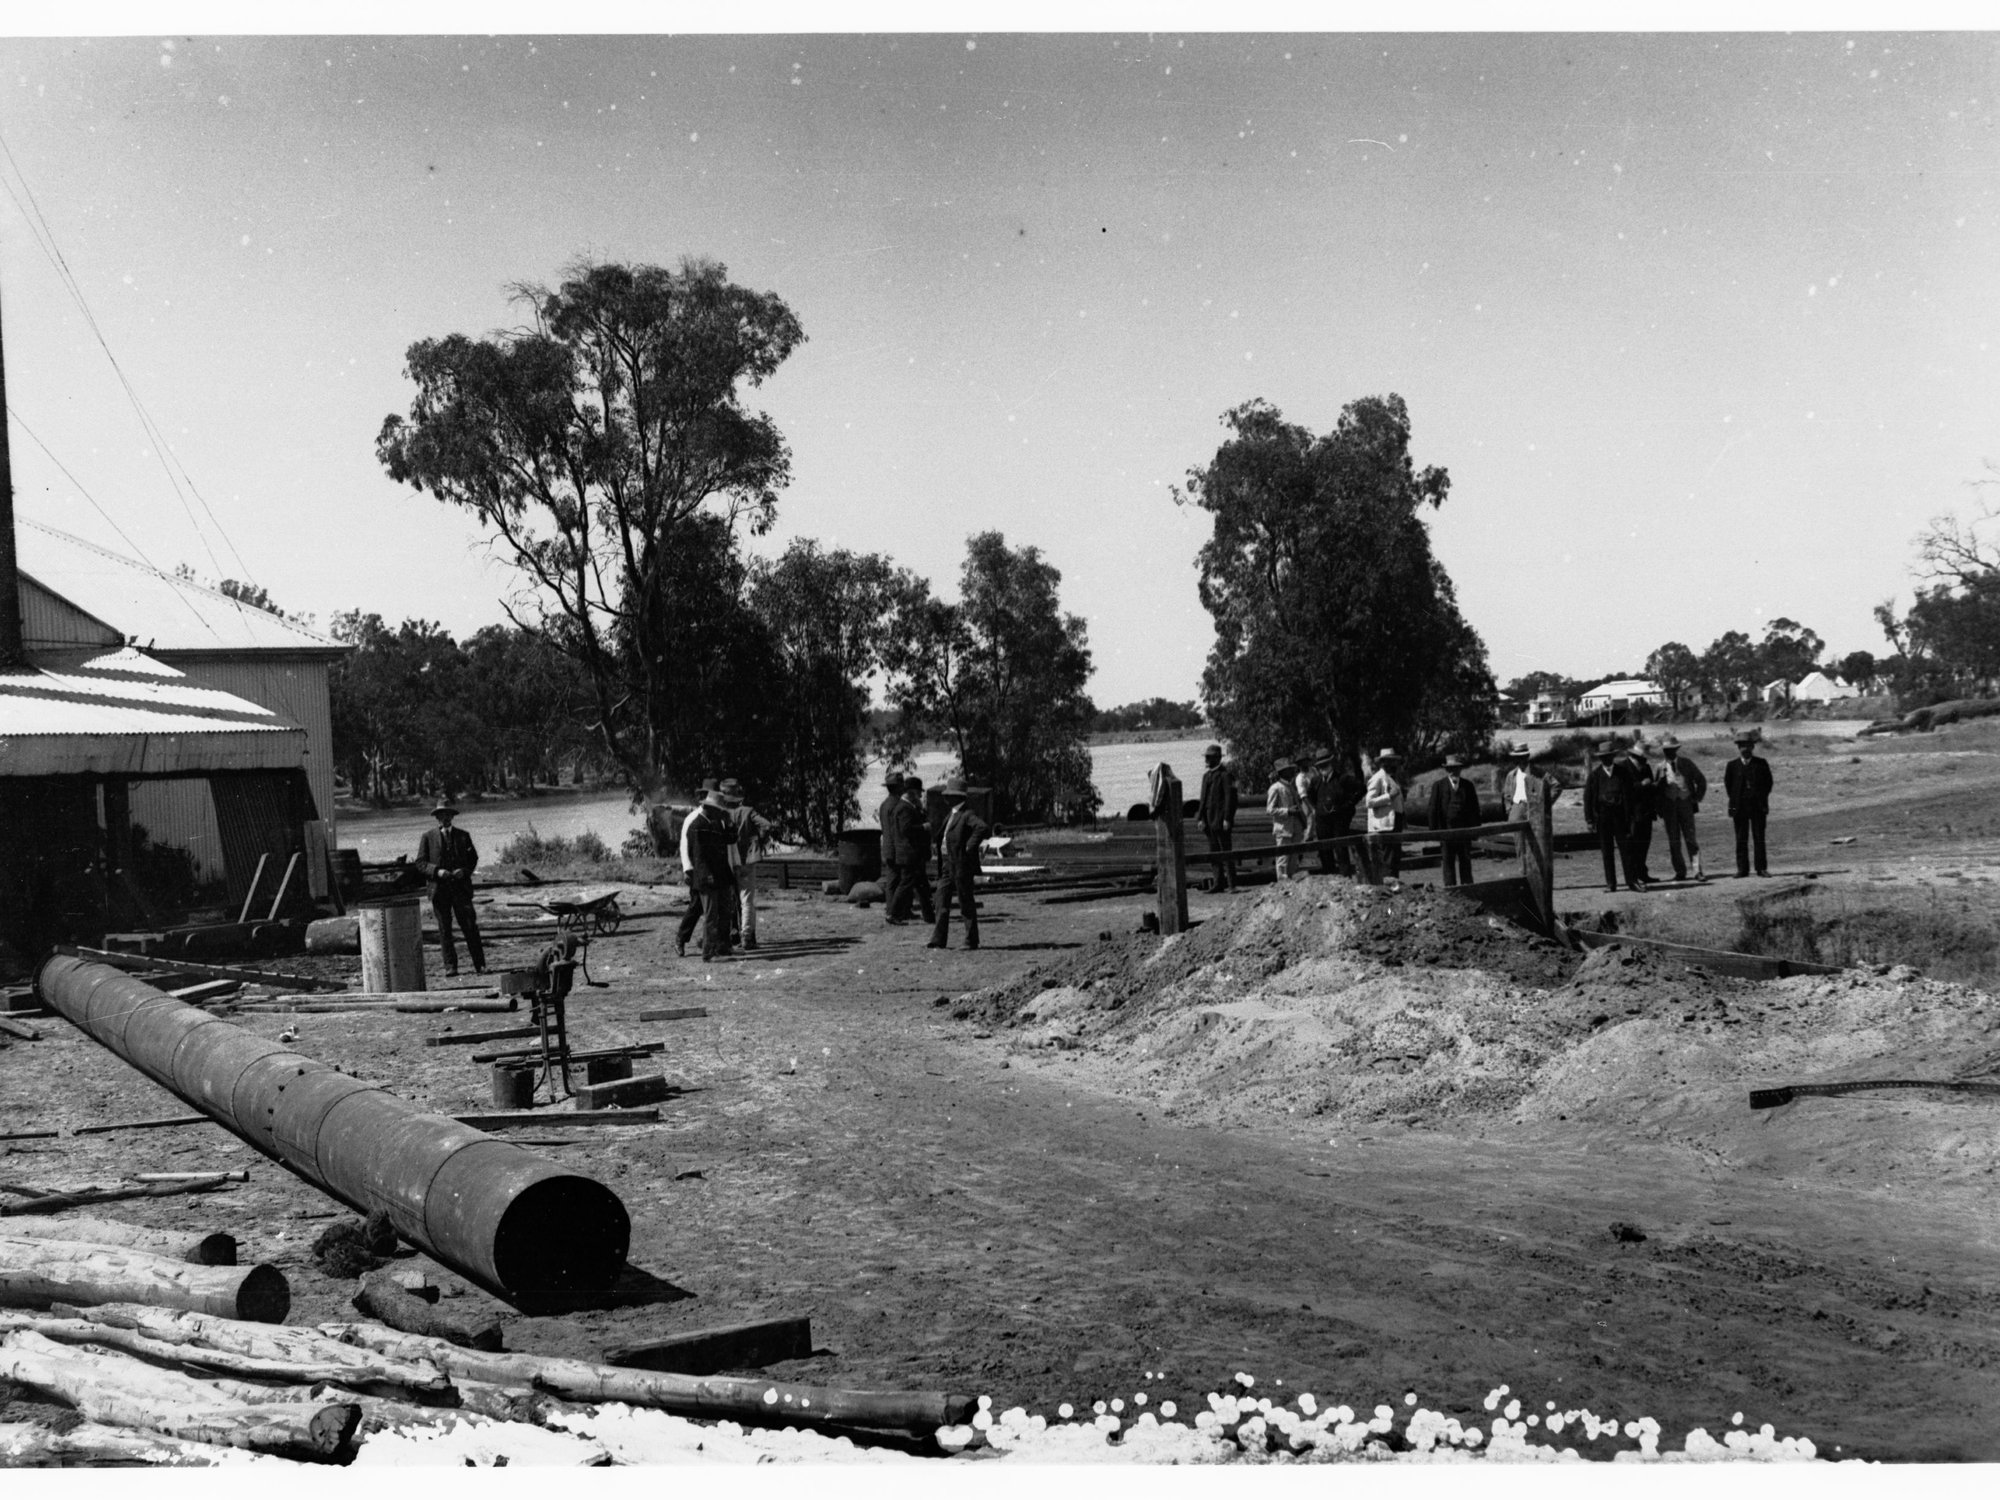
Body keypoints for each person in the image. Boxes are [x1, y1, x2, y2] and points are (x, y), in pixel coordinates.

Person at [416, 801, 485, 977]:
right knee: (444, 929)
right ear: (436, 818)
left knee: (470, 927)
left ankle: (480, 965)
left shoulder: (463, 836)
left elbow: (473, 858)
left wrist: (465, 871)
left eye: (447, 815)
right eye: (441, 815)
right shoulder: (428, 837)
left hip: (461, 889)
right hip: (439, 890)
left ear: (452, 817)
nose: (444, 818)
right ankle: (450, 967)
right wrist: (437, 872)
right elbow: (420, 863)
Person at [927, 777, 989, 950]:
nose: (946, 798)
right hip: (947, 865)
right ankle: (938, 939)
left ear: (957, 797)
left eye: (950, 795)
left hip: (961, 865)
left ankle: (971, 940)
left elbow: (982, 828)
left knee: (965, 903)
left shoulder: (967, 814)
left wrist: (970, 845)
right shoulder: (952, 815)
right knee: (941, 901)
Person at [685, 784, 740, 961]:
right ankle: (708, 952)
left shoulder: (715, 823)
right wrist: (707, 876)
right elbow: (698, 857)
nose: (721, 812)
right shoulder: (698, 825)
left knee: (725, 911)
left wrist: (730, 823)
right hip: (707, 877)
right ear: (710, 808)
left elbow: (731, 839)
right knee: (710, 915)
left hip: (721, 875)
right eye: (719, 810)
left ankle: (724, 945)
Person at [720, 778, 774, 951]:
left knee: (730, 899)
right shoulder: (748, 811)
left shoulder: (720, 814)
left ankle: (732, 934)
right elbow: (767, 825)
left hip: (727, 860)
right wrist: (757, 841)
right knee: (747, 900)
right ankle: (747, 937)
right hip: (746, 859)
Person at [1582, 741, 1643, 892]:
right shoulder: (1594, 776)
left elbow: (1631, 796)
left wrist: (1632, 817)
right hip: (1603, 818)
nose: (1606, 760)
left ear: (1613, 757)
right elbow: (1588, 799)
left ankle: (1632, 882)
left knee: (1626, 850)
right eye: (1603, 757)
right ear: (1600, 758)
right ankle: (1611, 884)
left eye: (1609, 756)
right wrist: (1589, 820)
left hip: (1621, 818)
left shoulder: (1623, 773)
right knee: (1607, 851)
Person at [675, 779, 722, 958]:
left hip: (711, 869)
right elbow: (685, 847)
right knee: (696, 906)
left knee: (711, 908)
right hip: (697, 870)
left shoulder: (714, 818)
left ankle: (709, 940)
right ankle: (681, 938)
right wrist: (688, 869)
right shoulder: (692, 819)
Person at [1654, 732, 1708, 882]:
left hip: (1686, 805)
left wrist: (1696, 797)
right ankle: (1680, 871)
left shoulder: (1687, 763)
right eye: (1665, 750)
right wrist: (1660, 809)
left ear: (1676, 750)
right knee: (1673, 841)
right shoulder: (1659, 767)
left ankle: (1698, 871)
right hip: (1669, 808)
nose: (1667, 753)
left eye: (1670, 750)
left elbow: (1701, 781)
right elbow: (1655, 791)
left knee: (1691, 839)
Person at [1724, 729, 1774, 878]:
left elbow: (1768, 783)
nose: (1745, 748)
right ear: (1738, 748)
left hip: (1758, 806)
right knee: (1741, 839)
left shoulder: (1761, 763)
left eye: (1748, 745)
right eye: (1742, 746)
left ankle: (1761, 869)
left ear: (1753, 747)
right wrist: (1735, 803)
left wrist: (1761, 798)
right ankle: (1742, 869)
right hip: (1738, 807)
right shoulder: (1732, 765)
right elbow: (1729, 787)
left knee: (1759, 838)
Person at [1427, 753, 1483, 886]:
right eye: (1450, 768)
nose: (1453, 771)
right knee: (1448, 863)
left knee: (1465, 862)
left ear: (1460, 769)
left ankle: (1468, 890)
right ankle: (1451, 892)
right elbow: (1432, 809)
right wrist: (1434, 832)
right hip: (1446, 832)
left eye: (1456, 768)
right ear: (1446, 770)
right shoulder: (1439, 786)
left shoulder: (1468, 786)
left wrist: (1475, 831)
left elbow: (1475, 809)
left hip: (1464, 833)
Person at [888, 776, 937, 924]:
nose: (920, 795)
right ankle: (893, 914)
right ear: (911, 792)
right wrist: (924, 827)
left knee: (922, 885)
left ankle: (929, 915)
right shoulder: (904, 808)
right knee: (907, 884)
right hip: (910, 854)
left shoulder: (908, 806)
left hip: (911, 854)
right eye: (918, 792)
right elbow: (906, 829)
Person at [1197, 744, 1238, 892]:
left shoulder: (1225, 775)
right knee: (1214, 853)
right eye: (1206, 757)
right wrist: (1200, 818)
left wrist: (1227, 818)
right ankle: (1218, 883)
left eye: (1209, 757)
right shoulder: (1206, 776)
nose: (1206, 760)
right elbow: (1203, 799)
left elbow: (1230, 799)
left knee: (1226, 852)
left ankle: (1232, 884)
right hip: (1208, 820)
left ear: (1217, 758)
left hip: (1221, 820)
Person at [1313, 752, 1360, 877]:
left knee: (1341, 850)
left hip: (1339, 821)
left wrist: (1348, 805)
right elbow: (1311, 798)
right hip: (1322, 822)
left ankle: (1345, 877)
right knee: (1324, 850)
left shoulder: (1343, 779)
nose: (1323, 767)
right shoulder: (1316, 781)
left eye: (1325, 764)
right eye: (1320, 765)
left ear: (1331, 764)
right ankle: (1329, 877)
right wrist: (1319, 810)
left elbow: (1361, 789)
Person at [1365, 748, 1407, 880]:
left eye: (1395, 761)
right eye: (1391, 761)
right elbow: (1369, 802)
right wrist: (1389, 796)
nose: (1394, 764)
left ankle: (1394, 886)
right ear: (1383, 763)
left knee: (1395, 859)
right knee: (1387, 860)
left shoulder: (1392, 778)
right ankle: (1388, 888)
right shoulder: (1378, 778)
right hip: (1384, 826)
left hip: (1394, 823)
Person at [1624, 744, 1659, 886]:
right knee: (1633, 845)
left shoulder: (1646, 767)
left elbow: (1650, 787)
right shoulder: (1623, 768)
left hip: (1646, 812)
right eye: (1641, 758)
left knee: (1644, 844)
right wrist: (1642, 784)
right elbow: (1625, 789)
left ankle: (1642, 873)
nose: (1643, 761)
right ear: (1634, 756)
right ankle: (1633, 876)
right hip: (1632, 814)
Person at [1266, 759, 1306, 881]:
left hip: (1295, 827)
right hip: (1283, 829)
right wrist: (1287, 811)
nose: (1292, 772)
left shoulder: (1291, 786)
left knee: (1294, 858)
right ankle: (1282, 884)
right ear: (1282, 772)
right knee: (1283, 858)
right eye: (1289, 770)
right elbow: (1270, 810)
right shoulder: (1275, 788)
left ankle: (1292, 881)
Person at [876, 771, 907, 922]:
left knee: (894, 880)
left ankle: (898, 910)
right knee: (896, 881)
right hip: (897, 848)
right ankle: (892, 912)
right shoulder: (898, 805)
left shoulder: (884, 805)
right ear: (898, 787)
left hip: (888, 847)